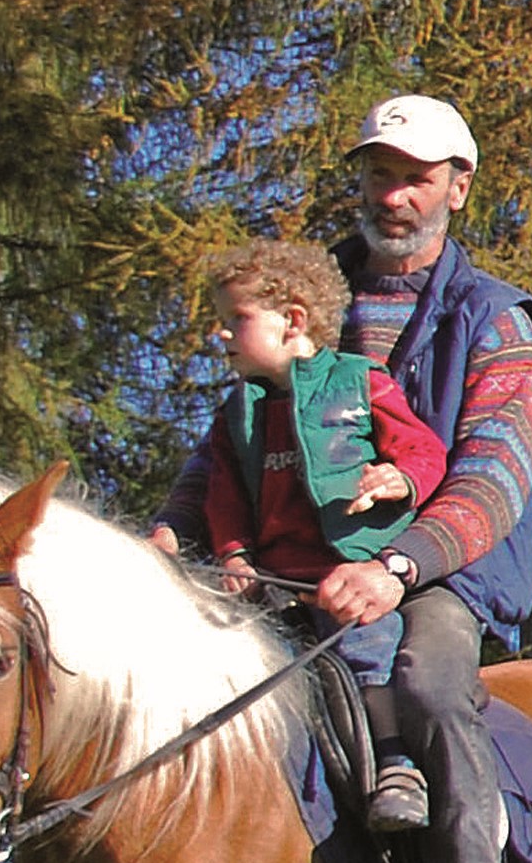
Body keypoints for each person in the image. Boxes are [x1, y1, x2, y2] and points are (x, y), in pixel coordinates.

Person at [156, 93, 532, 863]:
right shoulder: (308, 296)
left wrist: (397, 564)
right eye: (379, 172)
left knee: (427, 685)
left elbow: (497, 469)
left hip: (435, 576)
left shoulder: (494, 319)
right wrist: (172, 532)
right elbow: (234, 441)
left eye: (414, 175)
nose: (392, 193)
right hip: (292, 569)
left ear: (456, 188)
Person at [150, 243, 447, 777]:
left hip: (351, 575)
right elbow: (224, 497)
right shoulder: (240, 411)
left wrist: (398, 479)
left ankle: (394, 767)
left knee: (368, 659)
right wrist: (234, 554)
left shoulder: (359, 380)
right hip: (275, 586)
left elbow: (424, 451)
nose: (220, 334)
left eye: (235, 319)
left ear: (293, 321)